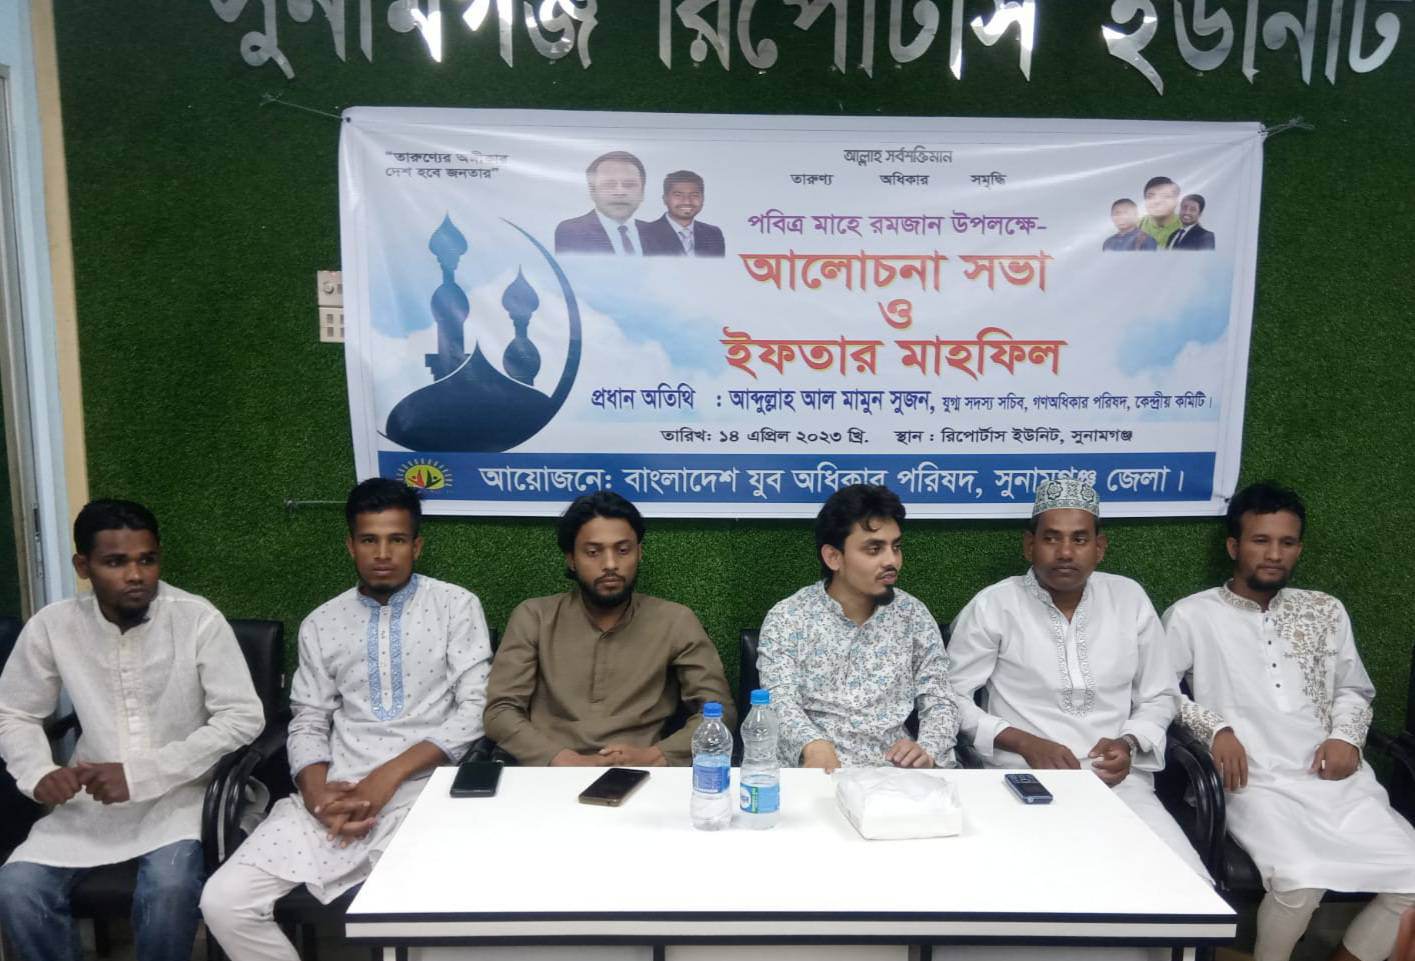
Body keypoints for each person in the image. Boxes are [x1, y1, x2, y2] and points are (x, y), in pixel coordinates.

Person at [201, 478, 492, 961]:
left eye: (397, 540)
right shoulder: (322, 622)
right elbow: (308, 720)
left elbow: (476, 711)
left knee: (413, 904)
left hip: (426, 795)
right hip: (335, 795)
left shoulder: (455, 607)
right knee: (223, 901)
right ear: (350, 545)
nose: (383, 553)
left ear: (417, 546)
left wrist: (388, 776)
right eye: (369, 539)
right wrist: (317, 796)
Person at [0, 500, 264, 961]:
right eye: (116, 562)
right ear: (83, 566)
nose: (136, 575)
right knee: (16, 887)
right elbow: (13, 712)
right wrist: (38, 770)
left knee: (169, 887)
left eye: (147, 559)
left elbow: (242, 717)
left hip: (183, 795)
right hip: (91, 805)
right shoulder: (53, 625)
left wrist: (140, 774)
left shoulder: (196, 618)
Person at [1164, 482, 1415, 961]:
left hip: (1334, 781)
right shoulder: (1192, 615)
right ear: (1234, 546)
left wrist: (1346, 738)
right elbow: (1160, 692)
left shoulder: (1325, 609)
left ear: (1299, 547)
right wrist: (1216, 729)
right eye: (1261, 541)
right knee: (1300, 877)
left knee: (1412, 878)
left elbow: (1353, 688)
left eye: (1287, 542)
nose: (1274, 554)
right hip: (1252, 782)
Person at [947, 478, 1209, 879]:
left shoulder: (1129, 599)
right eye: (1051, 538)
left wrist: (1129, 742)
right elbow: (950, 696)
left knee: (1184, 882)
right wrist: (1023, 742)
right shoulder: (994, 605)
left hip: (1119, 784)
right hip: (1019, 781)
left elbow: (1160, 695)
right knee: (1042, 887)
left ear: (1099, 547)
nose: (1065, 552)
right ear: (1029, 545)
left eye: (1079, 539)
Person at [483, 491, 734, 766]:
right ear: (571, 559)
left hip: (643, 771)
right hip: (551, 773)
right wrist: (561, 759)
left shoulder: (675, 621)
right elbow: (500, 712)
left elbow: (720, 710)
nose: (611, 564)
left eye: (623, 550)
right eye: (593, 552)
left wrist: (656, 755)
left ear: (639, 553)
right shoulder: (535, 617)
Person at [757, 484, 957, 771]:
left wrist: (927, 748)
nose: (891, 561)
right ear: (833, 557)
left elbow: (940, 699)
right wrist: (811, 744)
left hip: (894, 776)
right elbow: (779, 701)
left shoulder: (912, 615)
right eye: (874, 549)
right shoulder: (789, 617)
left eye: (896, 547)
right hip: (815, 770)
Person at [554, 151, 666, 256]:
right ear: (593, 192)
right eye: (609, 185)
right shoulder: (573, 231)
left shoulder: (656, 233)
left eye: (629, 185)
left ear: (642, 192)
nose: (620, 192)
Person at [639, 170, 726, 257]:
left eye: (694, 195)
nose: (687, 201)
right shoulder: (644, 234)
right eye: (678, 195)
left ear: (703, 199)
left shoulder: (713, 234)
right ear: (665, 199)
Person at [1137, 175, 1183, 248]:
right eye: (1150, 196)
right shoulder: (1135, 226)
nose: (1157, 201)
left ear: (1176, 201)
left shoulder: (1187, 227)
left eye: (1165, 196)